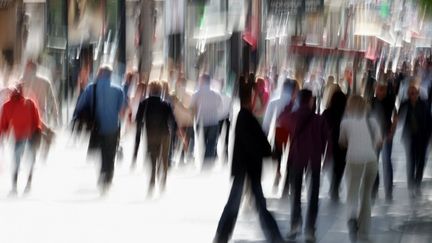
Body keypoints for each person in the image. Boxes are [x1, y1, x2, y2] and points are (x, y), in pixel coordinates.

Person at [213, 77, 284, 243]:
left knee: (245, 205)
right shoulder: (245, 118)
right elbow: (254, 144)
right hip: (247, 169)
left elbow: (256, 143)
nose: (259, 100)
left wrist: (269, 153)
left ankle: (222, 237)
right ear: (251, 97)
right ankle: (274, 237)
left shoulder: (245, 117)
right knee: (241, 205)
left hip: (246, 169)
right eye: (257, 96)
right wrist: (270, 153)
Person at [279, 89, 330, 241]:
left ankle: (295, 225)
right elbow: (328, 138)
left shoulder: (292, 117)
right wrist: (326, 157)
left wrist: (290, 104)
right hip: (314, 160)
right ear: (310, 101)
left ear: (299, 101)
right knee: (313, 194)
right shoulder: (319, 119)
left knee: (295, 193)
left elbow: (281, 119)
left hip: (297, 158)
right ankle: (309, 230)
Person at [73, 65, 125, 194]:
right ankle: (109, 176)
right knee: (111, 152)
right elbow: (122, 110)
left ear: (100, 73)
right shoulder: (118, 90)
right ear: (110, 74)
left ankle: (103, 173)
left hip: (97, 126)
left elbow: (80, 105)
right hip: (113, 126)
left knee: (102, 152)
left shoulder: (91, 88)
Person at [339, 95, 382, 242]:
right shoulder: (373, 122)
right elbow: (378, 142)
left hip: (353, 161)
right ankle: (363, 233)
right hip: (371, 161)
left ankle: (351, 219)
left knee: (352, 193)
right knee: (366, 197)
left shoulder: (345, 123)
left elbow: (342, 142)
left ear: (349, 106)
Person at [133, 81, 175, 195]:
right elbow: (172, 121)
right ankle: (163, 181)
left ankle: (152, 183)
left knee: (153, 159)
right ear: (160, 91)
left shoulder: (144, 103)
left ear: (150, 90)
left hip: (151, 134)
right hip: (165, 134)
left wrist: (137, 140)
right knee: (164, 159)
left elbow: (138, 121)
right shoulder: (166, 104)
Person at [0, 83, 42, 195]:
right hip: (29, 136)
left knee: (17, 161)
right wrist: (38, 131)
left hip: (21, 137)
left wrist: (2, 134)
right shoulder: (29, 103)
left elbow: (3, 124)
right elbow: (37, 120)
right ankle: (27, 184)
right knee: (29, 161)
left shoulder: (8, 105)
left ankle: (16, 187)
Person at [263, 78, 298, 191]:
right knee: (291, 155)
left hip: (279, 130)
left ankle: (278, 171)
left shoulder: (274, 101)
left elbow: (268, 119)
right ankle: (288, 178)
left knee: (278, 153)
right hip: (292, 132)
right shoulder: (295, 103)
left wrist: (265, 131)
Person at [398, 82, 431, 198]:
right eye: (410, 93)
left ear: (418, 94)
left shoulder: (424, 105)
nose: (412, 95)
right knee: (411, 162)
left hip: (423, 137)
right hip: (410, 137)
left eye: (414, 93)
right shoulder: (405, 104)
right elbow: (398, 117)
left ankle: (417, 183)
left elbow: (429, 120)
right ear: (408, 94)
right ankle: (411, 185)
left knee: (421, 162)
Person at [370, 82, 397, 201]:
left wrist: (392, 131)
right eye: (379, 89)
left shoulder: (390, 101)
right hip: (375, 137)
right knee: (374, 163)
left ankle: (389, 191)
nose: (381, 92)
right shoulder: (371, 101)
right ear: (376, 90)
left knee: (386, 162)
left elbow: (396, 116)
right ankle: (374, 190)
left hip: (386, 135)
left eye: (383, 89)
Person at [190, 74, 222, 165]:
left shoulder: (196, 93)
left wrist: (194, 119)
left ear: (202, 81)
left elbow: (192, 108)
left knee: (202, 142)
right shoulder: (215, 94)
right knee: (211, 143)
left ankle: (206, 161)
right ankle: (207, 162)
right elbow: (219, 106)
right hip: (213, 121)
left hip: (201, 121)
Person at [322, 88, 347, 201]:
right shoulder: (347, 113)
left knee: (331, 167)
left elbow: (321, 128)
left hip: (331, 144)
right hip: (344, 144)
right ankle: (335, 186)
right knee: (340, 167)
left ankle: (334, 186)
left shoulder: (327, 112)